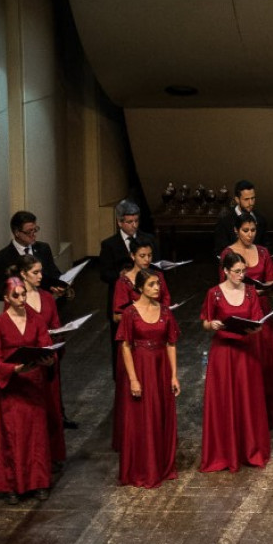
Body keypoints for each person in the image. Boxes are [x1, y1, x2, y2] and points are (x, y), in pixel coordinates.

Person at [0, 276, 57, 504]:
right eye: (15, 295)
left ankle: (39, 481)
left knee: (36, 434)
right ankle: (12, 484)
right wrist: (15, 368)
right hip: (12, 387)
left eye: (23, 294)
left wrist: (48, 359)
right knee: (13, 435)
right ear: (6, 298)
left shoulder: (35, 319)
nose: (20, 298)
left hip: (33, 383)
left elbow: (46, 344)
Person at [200, 252, 270, 472]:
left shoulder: (250, 292)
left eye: (244, 271)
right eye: (237, 271)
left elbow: (258, 320)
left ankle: (249, 449)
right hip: (223, 354)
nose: (241, 275)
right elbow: (205, 321)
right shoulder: (214, 293)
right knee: (224, 400)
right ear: (226, 271)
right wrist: (212, 326)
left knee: (246, 399)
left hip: (245, 352)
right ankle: (224, 452)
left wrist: (256, 327)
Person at [115, 269, 181, 488]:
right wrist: (133, 379)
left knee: (160, 414)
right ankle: (142, 468)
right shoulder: (130, 313)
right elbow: (125, 346)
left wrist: (174, 375)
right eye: (152, 284)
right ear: (140, 287)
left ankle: (162, 465)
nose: (157, 288)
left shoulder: (165, 312)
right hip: (141, 367)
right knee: (141, 417)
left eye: (158, 284)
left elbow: (171, 343)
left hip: (160, 367)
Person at [221, 213, 273, 429]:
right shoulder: (227, 253)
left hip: (261, 310)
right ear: (236, 230)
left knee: (264, 358)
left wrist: (268, 289)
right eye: (245, 230)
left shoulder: (263, 252)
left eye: (253, 230)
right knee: (246, 362)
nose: (250, 234)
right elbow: (223, 290)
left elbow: (271, 280)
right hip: (241, 311)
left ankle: (267, 414)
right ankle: (247, 414)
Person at [110, 238, 169, 451]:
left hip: (156, 341)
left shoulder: (158, 277)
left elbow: (166, 305)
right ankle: (132, 440)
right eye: (142, 256)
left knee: (157, 393)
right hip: (134, 344)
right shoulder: (123, 282)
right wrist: (136, 313)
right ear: (132, 256)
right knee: (134, 394)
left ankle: (157, 437)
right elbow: (117, 315)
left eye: (149, 256)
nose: (146, 260)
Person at [12, 255, 67, 463]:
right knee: (29, 414)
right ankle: (30, 459)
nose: (40, 276)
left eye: (41, 271)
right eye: (35, 272)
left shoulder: (46, 298)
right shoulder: (16, 299)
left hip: (47, 360)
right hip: (27, 364)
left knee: (50, 409)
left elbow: (55, 324)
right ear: (23, 274)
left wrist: (57, 336)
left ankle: (51, 457)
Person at [0, 210, 63, 301]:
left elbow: (54, 274)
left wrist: (57, 286)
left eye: (35, 230)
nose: (34, 235)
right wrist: (21, 294)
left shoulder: (43, 248)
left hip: (45, 303)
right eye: (29, 232)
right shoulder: (1, 258)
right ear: (17, 232)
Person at [98, 199, 158, 287]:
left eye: (136, 221)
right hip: (120, 293)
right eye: (130, 222)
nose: (134, 225)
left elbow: (158, 266)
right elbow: (104, 274)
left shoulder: (149, 239)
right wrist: (120, 275)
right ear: (120, 222)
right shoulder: (109, 245)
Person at [213, 180, 270, 253]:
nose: (251, 203)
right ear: (237, 199)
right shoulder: (225, 221)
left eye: (253, 198)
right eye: (246, 199)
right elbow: (221, 250)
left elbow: (267, 247)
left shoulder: (261, 219)